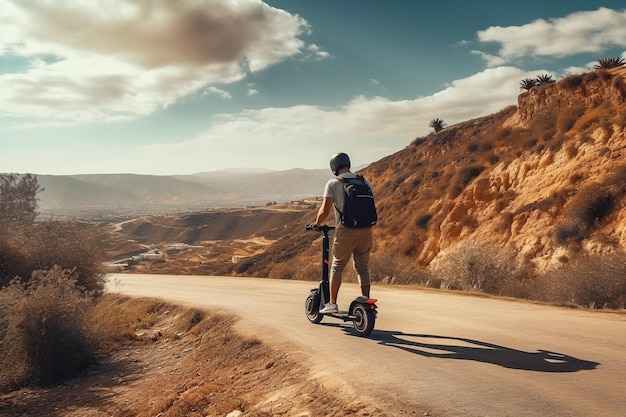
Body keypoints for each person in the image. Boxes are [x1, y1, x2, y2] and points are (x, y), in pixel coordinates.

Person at [312, 152, 374, 313]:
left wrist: (317, 224)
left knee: (337, 265)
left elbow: (324, 210)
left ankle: (332, 304)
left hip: (346, 231)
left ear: (334, 168)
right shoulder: (364, 181)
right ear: (348, 163)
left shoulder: (333, 183)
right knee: (363, 267)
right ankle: (367, 302)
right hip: (367, 231)